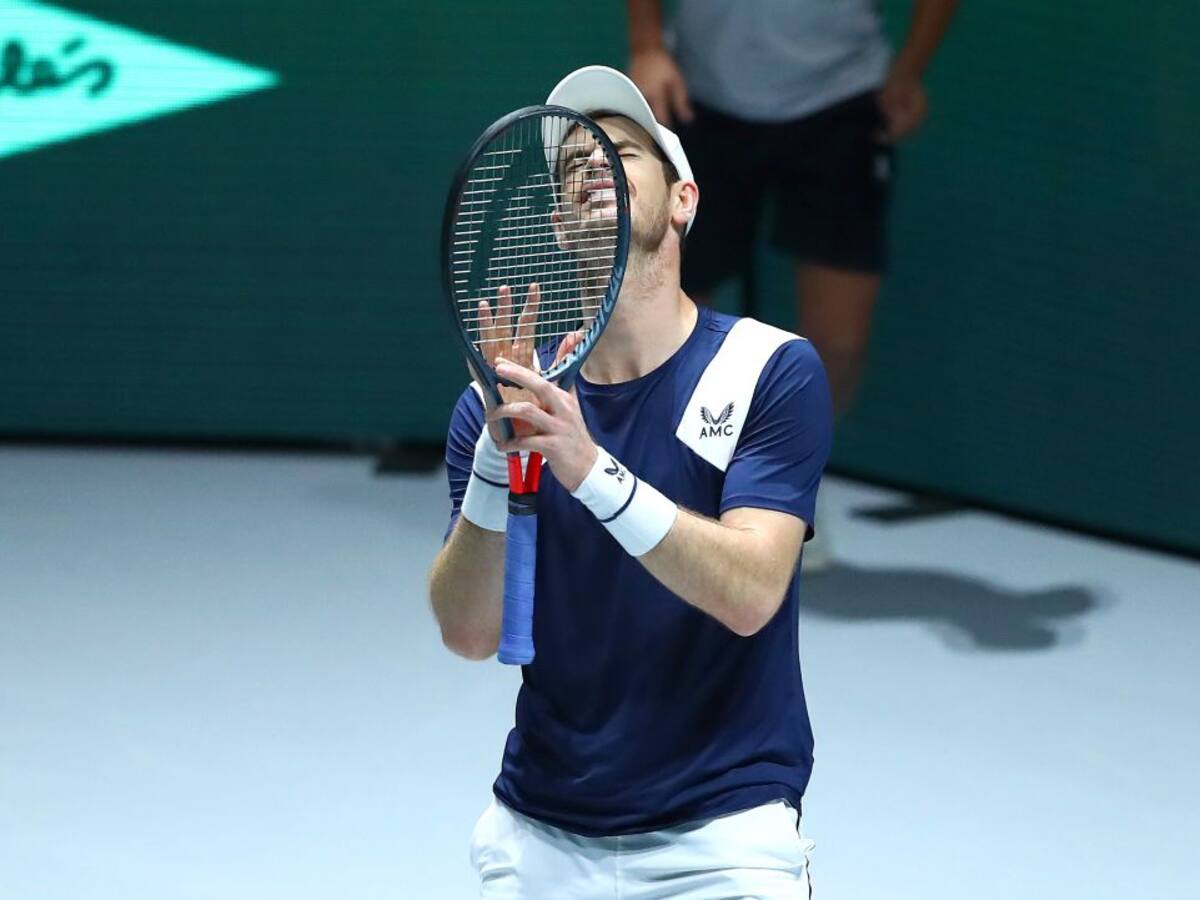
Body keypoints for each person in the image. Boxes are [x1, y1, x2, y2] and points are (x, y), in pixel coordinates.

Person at [428, 65, 833, 898]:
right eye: (573, 160)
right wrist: (498, 464)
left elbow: (750, 592)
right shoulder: (498, 406)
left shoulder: (769, 370)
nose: (591, 161)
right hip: (541, 832)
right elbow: (467, 631)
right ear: (555, 224)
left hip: (724, 834)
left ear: (683, 199)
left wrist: (589, 468)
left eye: (621, 150)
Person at [628, 0, 960, 569]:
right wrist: (647, 45)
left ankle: (784, 484)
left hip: (840, 100)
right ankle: (676, 487)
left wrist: (908, 73)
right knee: (668, 316)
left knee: (840, 343)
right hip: (698, 93)